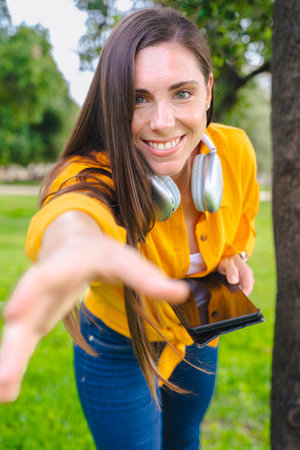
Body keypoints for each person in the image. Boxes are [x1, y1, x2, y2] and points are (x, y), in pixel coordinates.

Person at [0, 7, 259, 449]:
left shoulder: (235, 151)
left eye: (182, 93)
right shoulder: (95, 171)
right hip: (119, 344)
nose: (161, 121)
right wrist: (73, 246)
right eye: (138, 98)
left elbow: (243, 225)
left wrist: (235, 254)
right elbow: (74, 211)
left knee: (184, 438)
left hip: (198, 331)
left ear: (209, 90)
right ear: (112, 101)